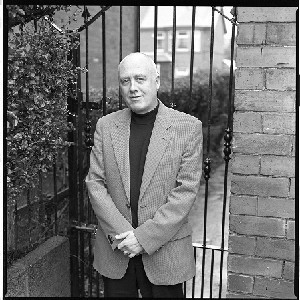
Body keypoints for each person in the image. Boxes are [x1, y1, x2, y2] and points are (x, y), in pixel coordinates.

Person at [85, 52, 203, 298]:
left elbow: (185, 192)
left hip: (165, 252)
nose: (133, 88)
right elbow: (95, 184)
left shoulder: (188, 127)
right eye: (125, 81)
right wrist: (124, 237)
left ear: (157, 81)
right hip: (117, 251)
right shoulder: (106, 126)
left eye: (140, 79)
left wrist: (143, 238)